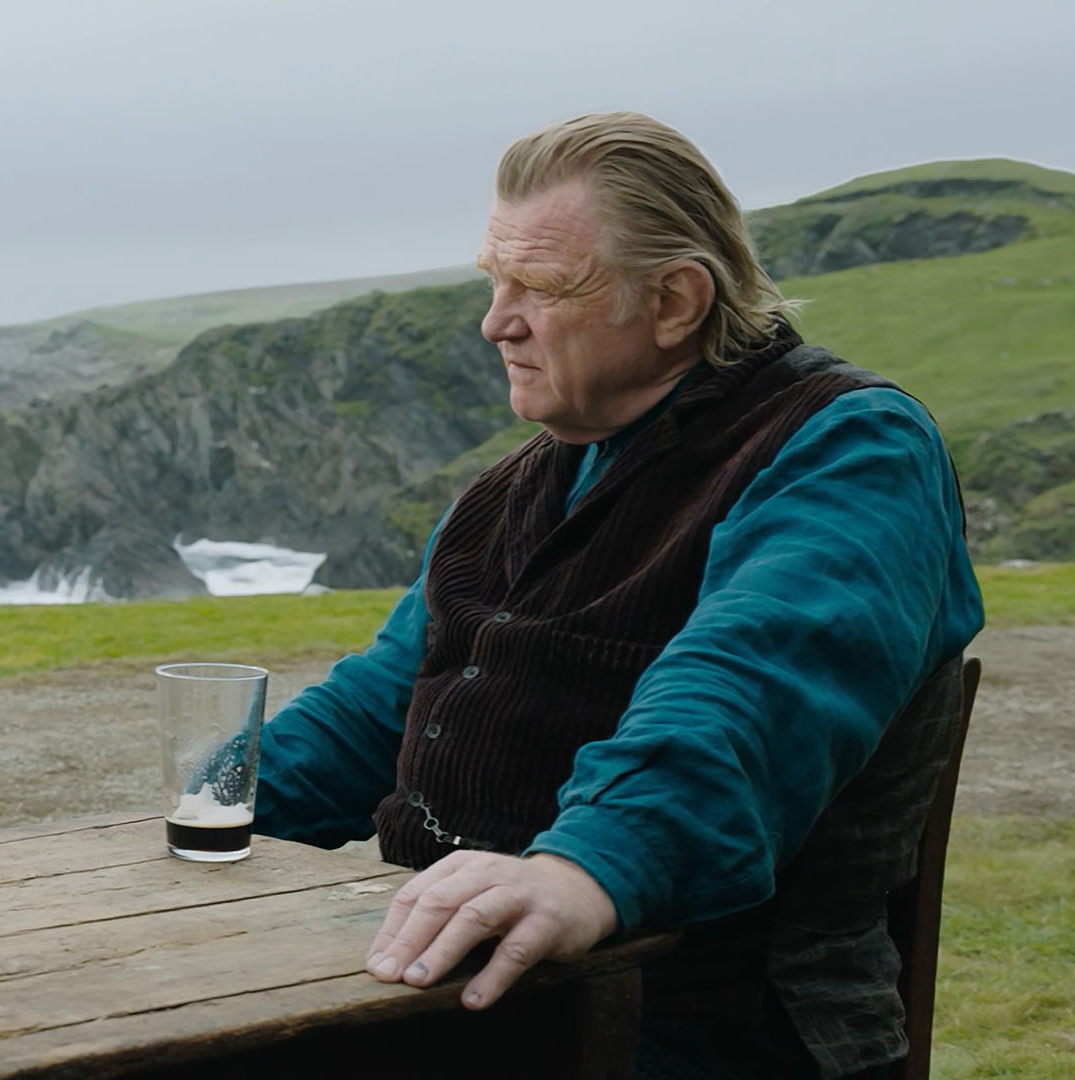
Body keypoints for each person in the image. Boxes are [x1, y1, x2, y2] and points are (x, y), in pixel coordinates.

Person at [250, 112, 982, 1078]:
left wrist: (586, 868)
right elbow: (379, 704)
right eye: (494, 281)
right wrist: (205, 805)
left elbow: (751, 689)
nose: (496, 322)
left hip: (704, 1022)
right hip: (467, 996)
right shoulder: (514, 486)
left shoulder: (851, 450)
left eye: (541, 287)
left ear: (675, 302)